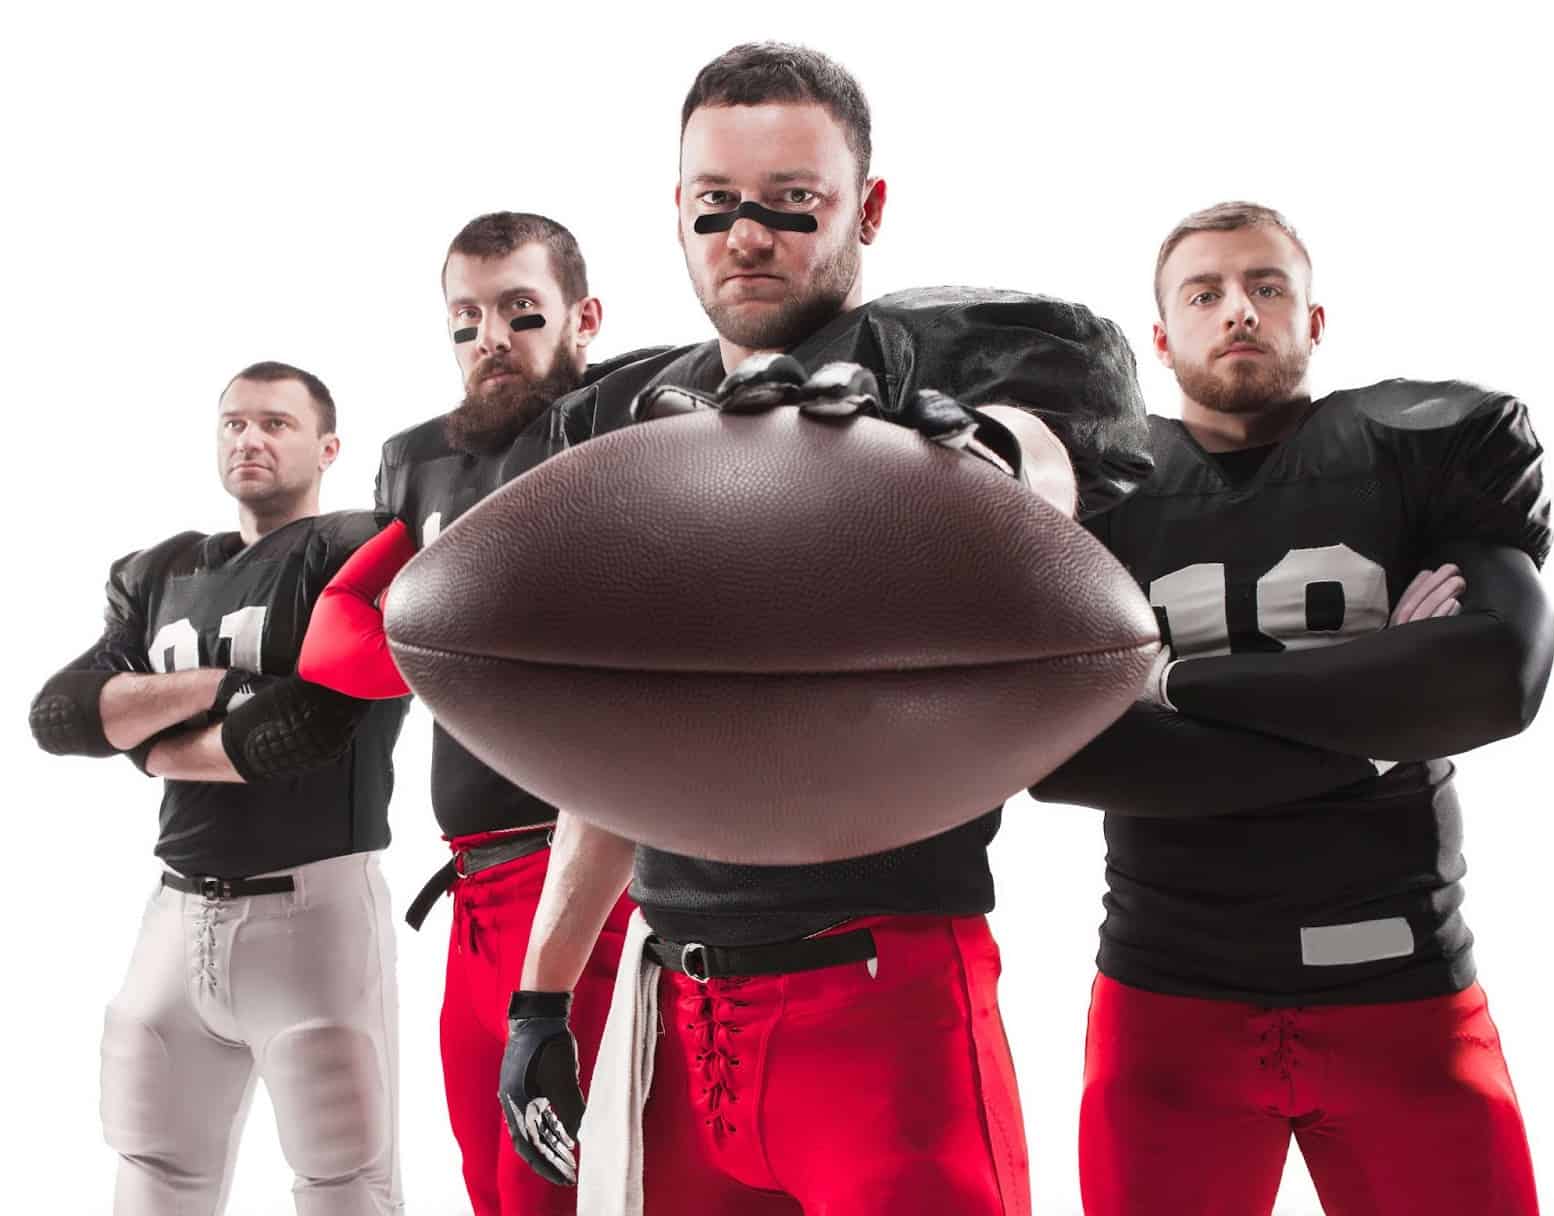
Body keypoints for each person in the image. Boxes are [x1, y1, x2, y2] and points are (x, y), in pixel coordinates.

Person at [496, 43, 1152, 1216]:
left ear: (869, 207)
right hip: (680, 1002)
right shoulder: (619, 417)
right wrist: (543, 994)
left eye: (793, 204)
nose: (748, 234)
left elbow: (1053, 450)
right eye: (716, 205)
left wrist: (973, 466)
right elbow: (600, 738)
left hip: (883, 988)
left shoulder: (920, 365)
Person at [1031, 201, 1554, 1215]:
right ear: (1159, 338)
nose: (1239, 311)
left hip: (1402, 991)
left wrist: (1173, 683)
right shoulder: (1094, 492)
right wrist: (1378, 713)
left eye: (1267, 287)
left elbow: (1498, 675)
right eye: (1206, 291)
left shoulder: (1418, 447)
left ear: (1314, 321)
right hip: (1165, 995)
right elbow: (1052, 753)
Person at [295, 211, 676, 1216]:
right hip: (466, 885)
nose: (491, 339)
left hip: (583, 875)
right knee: (487, 1187)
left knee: (553, 1187)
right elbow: (339, 639)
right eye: (466, 319)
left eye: (521, 311)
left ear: (582, 316)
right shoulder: (418, 457)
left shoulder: (618, 423)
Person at [27, 361, 409, 1216]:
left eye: (276, 423)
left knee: (345, 1179)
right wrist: (220, 689)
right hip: (172, 914)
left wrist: (150, 736)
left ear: (328, 446)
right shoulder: (159, 571)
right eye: (234, 423)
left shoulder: (355, 548)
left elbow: (293, 734)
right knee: (151, 1167)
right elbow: (59, 716)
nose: (250, 438)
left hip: (313, 914)